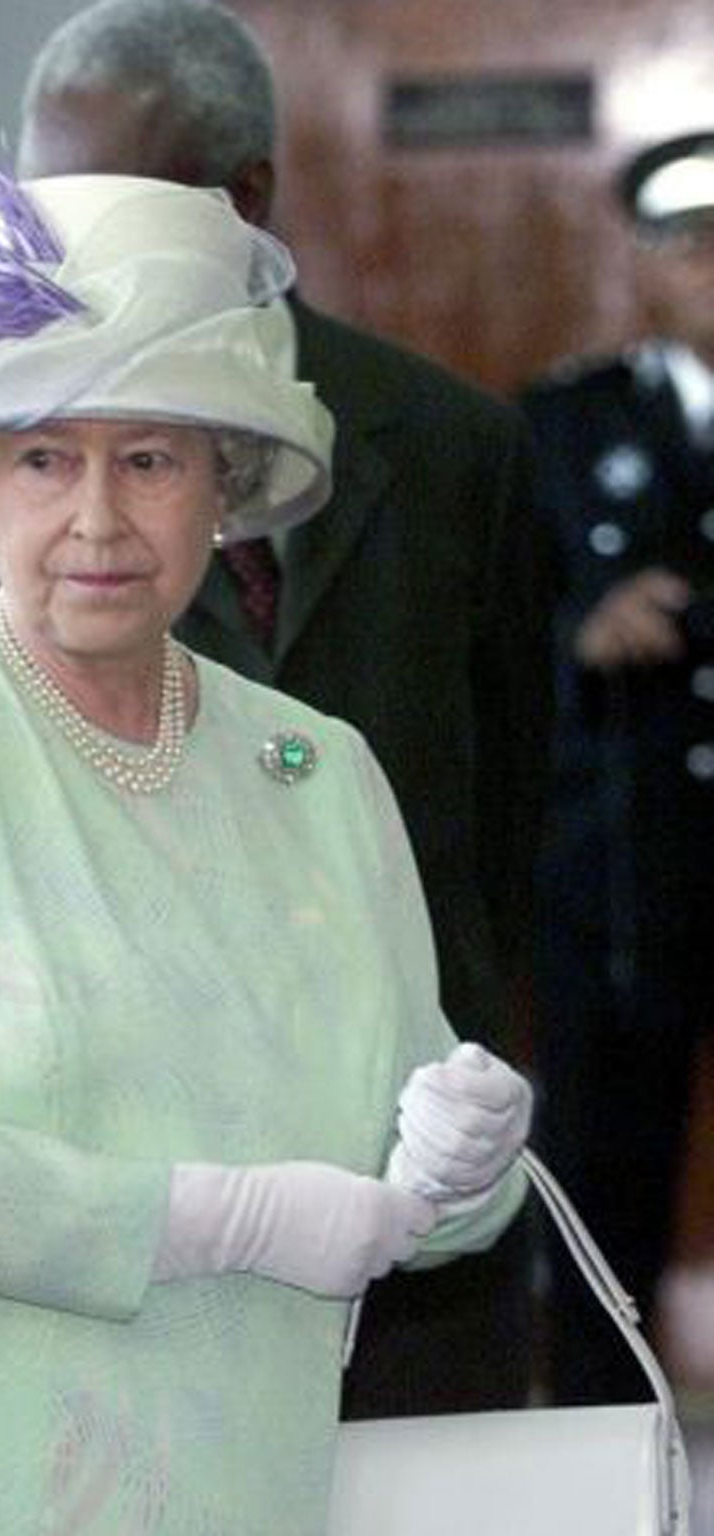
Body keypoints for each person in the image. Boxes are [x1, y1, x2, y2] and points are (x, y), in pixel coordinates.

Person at [0, 152, 532, 1533]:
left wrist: (463, 1171)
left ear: (223, 488)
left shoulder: (318, 769)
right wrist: (230, 1220)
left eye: (153, 460)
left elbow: (389, 1174)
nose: (100, 520)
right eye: (46, 458)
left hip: (245, 1473)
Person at [521, 130, 714, 1404]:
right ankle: (602, 1453)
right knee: (603, 1198)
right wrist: (578, 637)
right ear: (641, 266)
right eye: (689, 246)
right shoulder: (561, 423)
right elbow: (491, 635)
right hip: (624, 890)